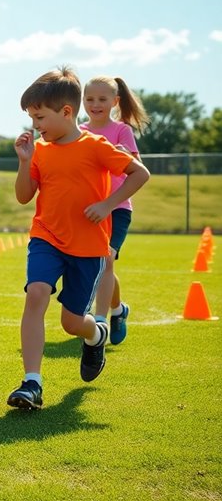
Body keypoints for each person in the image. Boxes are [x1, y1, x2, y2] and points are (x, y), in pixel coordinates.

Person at [7, 67, 150, 410]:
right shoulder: (40, 150)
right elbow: (24, 196)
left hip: (88, 247)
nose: (35, 124)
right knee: (36, 293)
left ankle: (96, 333)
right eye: (31, 117)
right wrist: (25, 162)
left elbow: (138, 173)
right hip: (46, 237)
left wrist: (107, 204)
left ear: (66, 112)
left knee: (71, 322)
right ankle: (32, 383)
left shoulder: (96, 146)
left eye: (39, 116)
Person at [80, 76, 148, 346]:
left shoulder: (122, 130)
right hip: (90, 208)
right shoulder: (80, 131)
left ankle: (100, 320)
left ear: (115, 102)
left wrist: (123, 154)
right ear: (82, 101)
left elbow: (137, 166)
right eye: (90, 99)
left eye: (102, 99)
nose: (95, 104)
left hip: (118, 207)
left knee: (106, 260)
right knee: (100, 263)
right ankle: (119, 310)